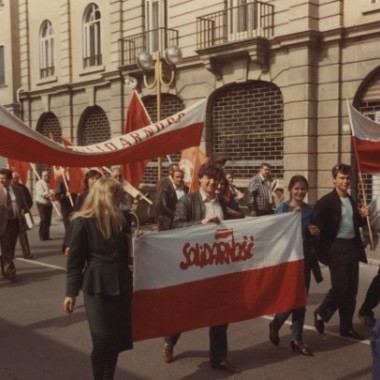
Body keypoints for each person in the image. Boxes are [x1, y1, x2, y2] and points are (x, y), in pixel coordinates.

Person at [161, 162, 241, 374]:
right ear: (200, 179)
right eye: (208, 178)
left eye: (216, 179)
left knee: (220, 312)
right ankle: (170, 340)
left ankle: (219, 357)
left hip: (218, 266)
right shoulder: (187, 200)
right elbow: (176, 226)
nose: (212, 183)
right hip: (193, 267)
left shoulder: (222, 204)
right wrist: (201, 223)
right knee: (186, 308)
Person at [63, 178, 133, 380]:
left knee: (116, 340)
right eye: (116, 196)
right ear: (104, 196)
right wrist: (70, 293)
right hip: (97, 286)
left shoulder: (121, 220)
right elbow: (75, 262)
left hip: (121, 284)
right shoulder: (82, 222)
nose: (119, 200)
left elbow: (126, 255)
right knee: (102, 340)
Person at [313, 163, 369, 340]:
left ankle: (347, 327)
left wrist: (362, 216)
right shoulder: (326, 201)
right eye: (342, 178)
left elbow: (355, 224)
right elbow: (317, 225)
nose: (345, 181)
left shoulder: (351, 200)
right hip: (336, 248)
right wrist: (322, 247)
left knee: (351, 290)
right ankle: (321, 313)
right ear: (334, 180)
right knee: (340, 288)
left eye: (347, 178)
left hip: (352, 246)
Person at [269, 175, 322, 356]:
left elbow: (316, 236)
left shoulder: (310, 211)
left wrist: (316, 233)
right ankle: (276, 322)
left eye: (303, 189)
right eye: (296, 188)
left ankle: (297, 339)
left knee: (301, 301)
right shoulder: (283, 208)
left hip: (304, 261)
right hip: (287, 261)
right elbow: (274, 230)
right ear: (290, 190)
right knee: (291, 298)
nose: (300, 192)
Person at [0, 168, 30, 281]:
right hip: (3, 223)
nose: (1, 181)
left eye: (3, 179)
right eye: (0, 178)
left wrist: (27, 217)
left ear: (9, 179)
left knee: (11, 248)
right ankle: (10, 272)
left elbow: (24, 204)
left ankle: (4, 264)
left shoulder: (18, 190)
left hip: (15, 222)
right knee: (5, 246)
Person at [11, 172, 34, 259]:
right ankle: (11, 254)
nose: (14, 180)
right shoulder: (4, 188)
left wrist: (25, 210)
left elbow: (29, 201)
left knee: (23, 235)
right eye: (13, 178)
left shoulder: (22, 188)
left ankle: (27, 253)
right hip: (9, 217)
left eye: (16, 178)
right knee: (11, 237)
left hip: (21, 216)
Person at [35, 170, 53, 241]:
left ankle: (46, 235)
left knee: (48, 220)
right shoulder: (39, 183)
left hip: (49, 203)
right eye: (45, 175)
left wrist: (53, 194)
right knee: (44, 219)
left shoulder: (50, 183)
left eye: (47, 175)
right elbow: (41, 193)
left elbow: (53, 191)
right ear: (42, 176)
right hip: (41, 203)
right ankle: (41, 234)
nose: (46, 177)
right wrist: (49, 194)